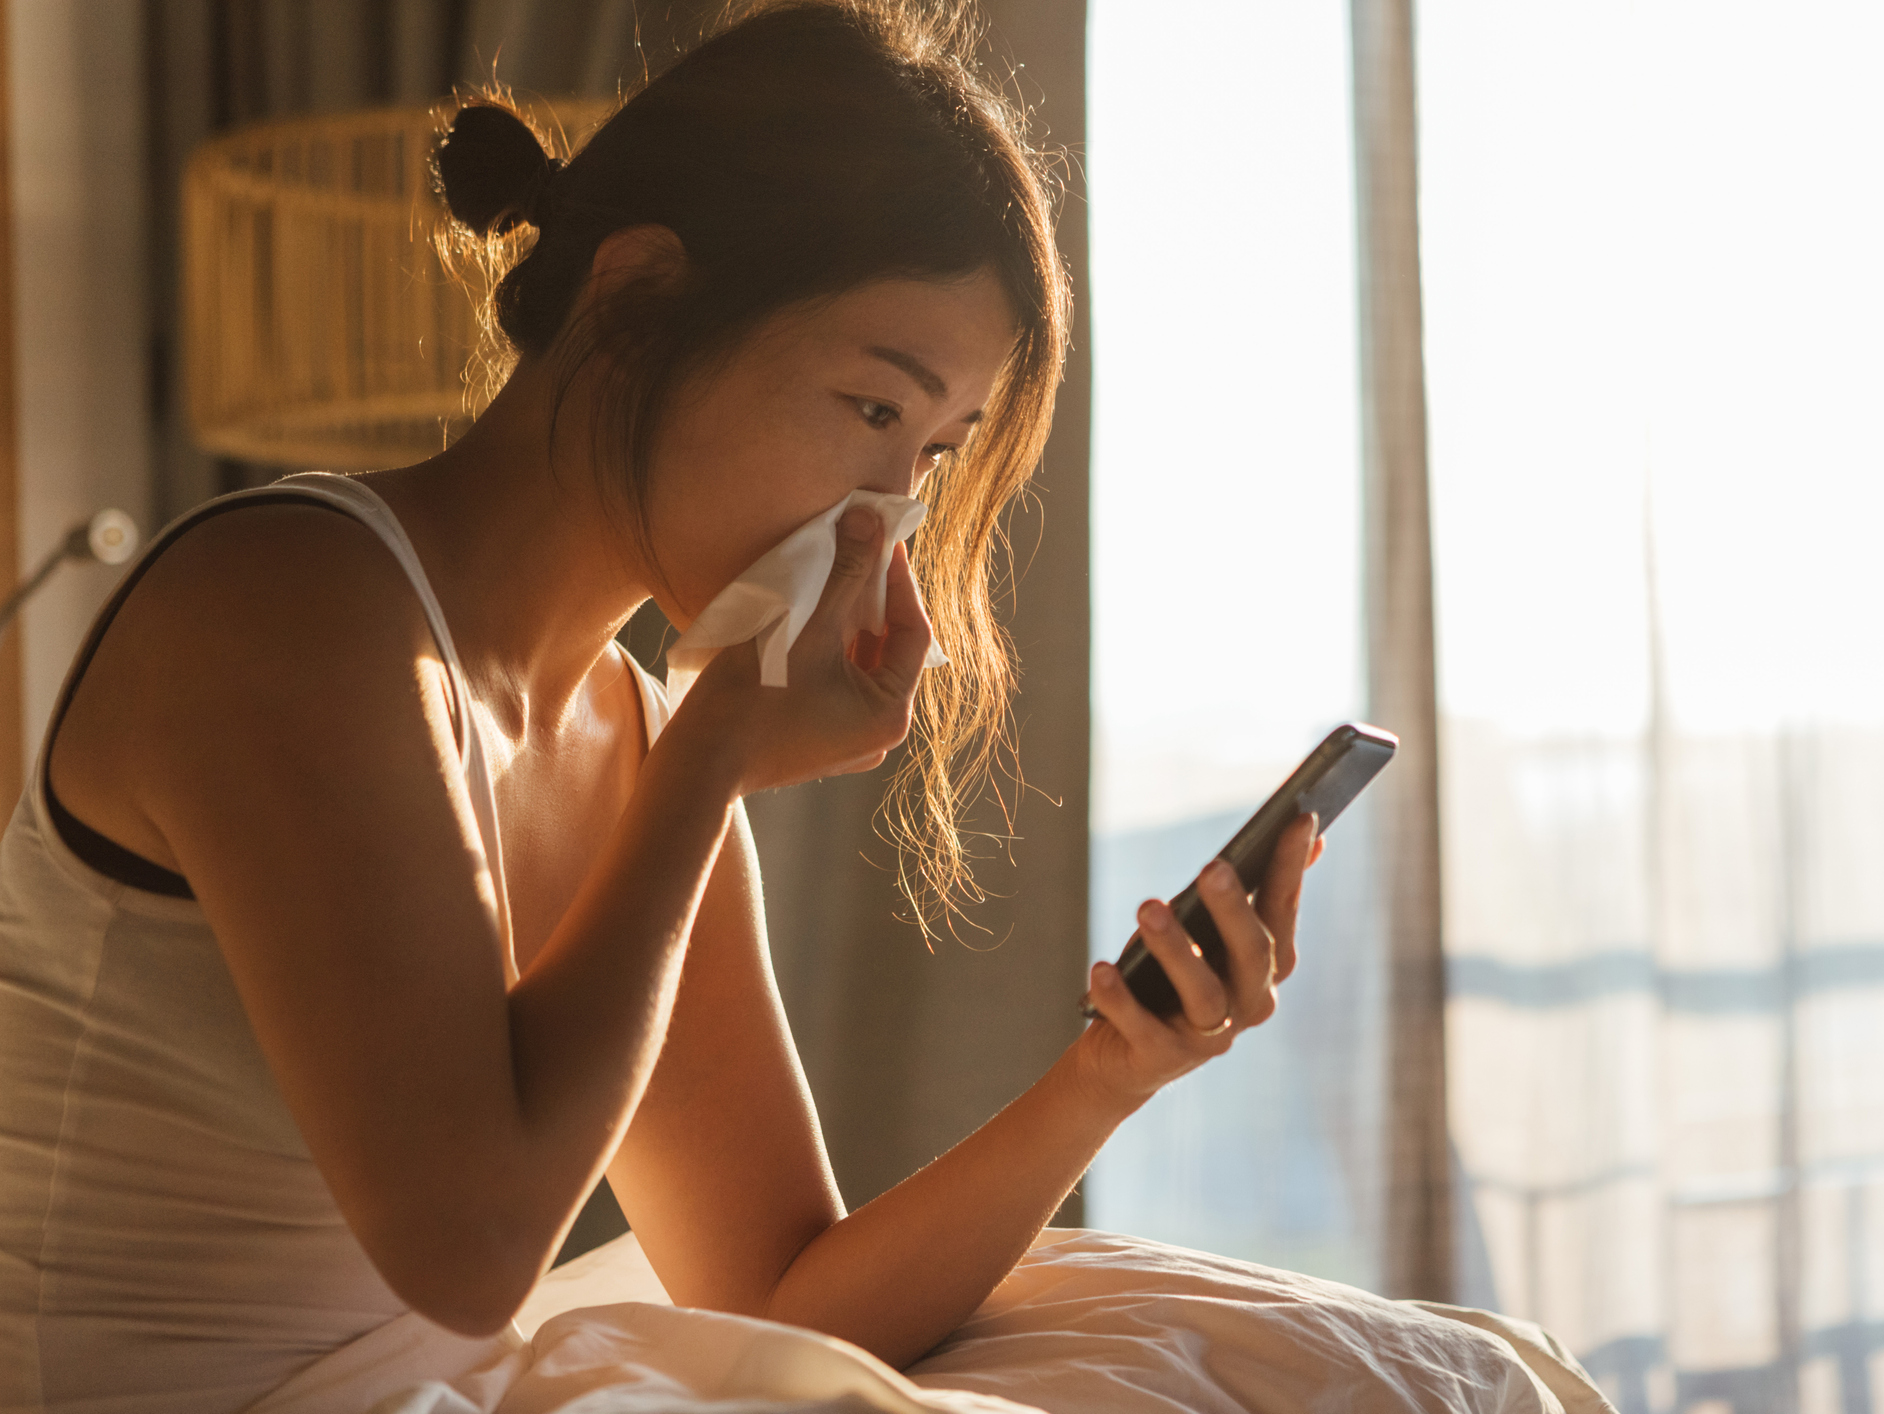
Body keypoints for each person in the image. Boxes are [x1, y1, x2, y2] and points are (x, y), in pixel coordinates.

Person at [0, 3, 1323, 1410]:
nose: (888, 513)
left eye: (934, 453)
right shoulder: (295, 606)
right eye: (874, 409)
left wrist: (1111, 1074)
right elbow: (469, 1249)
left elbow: (777, 1290)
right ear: (633, 297)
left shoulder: (627, 731)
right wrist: (710, 761)